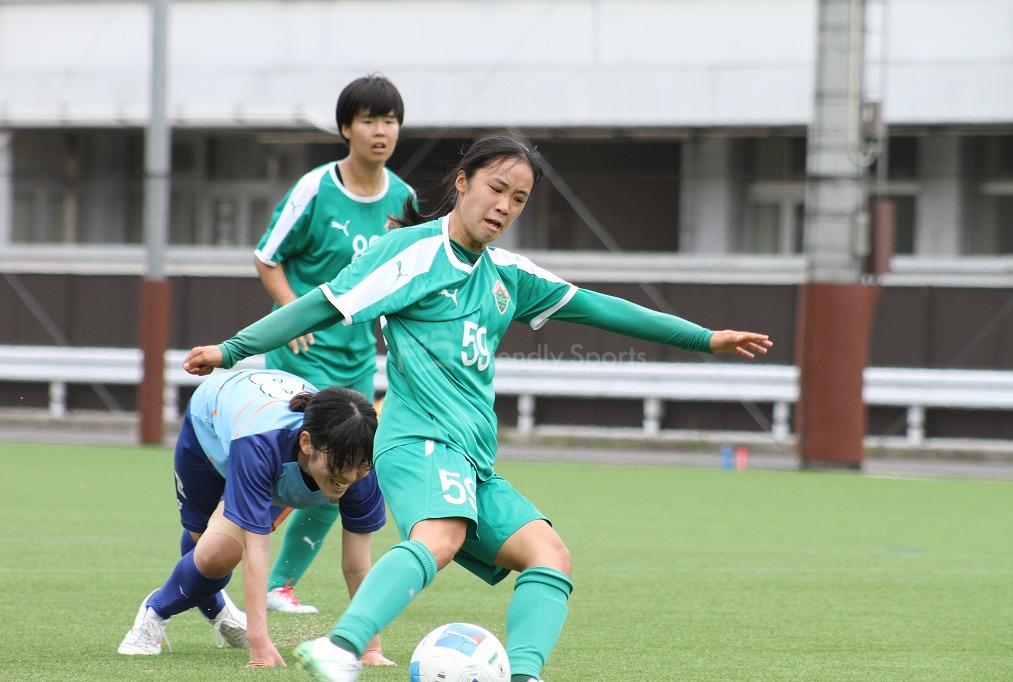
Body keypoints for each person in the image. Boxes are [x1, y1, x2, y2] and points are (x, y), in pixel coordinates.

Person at [183, 134, 773, 682]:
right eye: (497, 188)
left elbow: (599, 307)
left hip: (472, 458)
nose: (504, 206)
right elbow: (322, 303)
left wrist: (704, 338)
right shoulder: (410, 253)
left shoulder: (507, 274)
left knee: (549, 556)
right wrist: (232, 349)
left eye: (518, 199)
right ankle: (341, 647)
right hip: (417, 441)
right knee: (440, 537)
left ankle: (523, 675)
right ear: (462, 182)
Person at [253, 73, 414, 626]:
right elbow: (267, 257)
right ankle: (223, 554)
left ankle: (278, 585)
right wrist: (288, 313)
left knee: (343, 471)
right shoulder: (314, 189)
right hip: (301, 356)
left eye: (389, 121)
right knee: (291, 466)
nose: (381, 131)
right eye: (369, 120)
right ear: (346, 128)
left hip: (356, 359)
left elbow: (409, 275)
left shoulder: (404, 199)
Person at [117, 369, 384, 669]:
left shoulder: (361, 466)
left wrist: (370, 647)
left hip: (267, 453)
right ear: (307, 443)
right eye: (341, 464)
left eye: (361, 465)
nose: (349, 476)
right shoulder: (260, 446)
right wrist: (259, 642)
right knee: (213, 551)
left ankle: (194, 610)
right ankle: (157, 610)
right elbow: (256, 549)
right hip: (211, 425)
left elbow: (357, 566)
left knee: (218, 552)